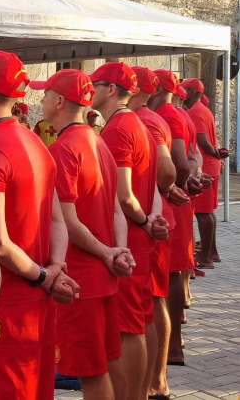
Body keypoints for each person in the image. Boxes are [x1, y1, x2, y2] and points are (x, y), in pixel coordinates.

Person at [0, 51, 78, 400]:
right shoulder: (35, 142)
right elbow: (58, 219)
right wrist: (55, 268)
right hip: (38, 304)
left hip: (7, 306)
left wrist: (45, 276)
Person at [33, 69, 134, 400]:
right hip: (103, 274)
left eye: (45, 94)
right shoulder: (97, 140)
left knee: (91, 373)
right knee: (107, 361)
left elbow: (68, 222)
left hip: (82, 278)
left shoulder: (64, 148)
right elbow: (118, 208)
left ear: (59, 101)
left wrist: (108, 253)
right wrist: (117, 250)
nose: (41, 100)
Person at [90, 62, 169, 400]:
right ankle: (144, 390)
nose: (89, 89)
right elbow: (151, 185)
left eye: (94, 83)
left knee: (127, 327)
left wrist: (142, 221)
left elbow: (123, 194)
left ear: (111, 90)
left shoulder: (120, 127)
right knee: (140, 320)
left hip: (130, 241)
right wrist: (151, 217)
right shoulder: (135, 122)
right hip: (140, 237)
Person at [130, 67, 186, 399]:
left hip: (150, 219)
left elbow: (168, 169)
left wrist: (161, 191)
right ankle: (156, 379)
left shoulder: (147, 120)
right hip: (155, 216)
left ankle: (156, 380)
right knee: (153, 298)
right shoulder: (154, 117)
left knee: (151, 300)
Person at [149, 69, 197, 386]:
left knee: (168, 279)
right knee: (173, 274)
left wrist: (171, 186)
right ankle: (172, 347)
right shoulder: (176, 114)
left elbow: (179, 164)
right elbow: (192, 158)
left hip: (168, 204)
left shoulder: (166, 116)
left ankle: (173, 348)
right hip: (176, 201)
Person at [182, 78, 229, 269]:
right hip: (212, 165)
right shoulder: (203, 109)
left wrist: (215, 153)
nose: (181, 92)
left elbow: (202, 141)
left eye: (184, 89)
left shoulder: (195, 111)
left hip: (206, 167)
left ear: (192, 92)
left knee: (203, 213)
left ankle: (207, 257)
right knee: (208, 212)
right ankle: (212, 251)